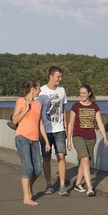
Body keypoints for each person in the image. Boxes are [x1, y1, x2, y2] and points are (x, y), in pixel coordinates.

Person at [12, 80, 51, 206]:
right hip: (22, 137)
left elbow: (40, 124)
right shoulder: (21, 101)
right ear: (33, 89)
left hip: (35, 139)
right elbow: (14, 120)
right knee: (28, 167)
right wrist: (26, 109)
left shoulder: (38, 104)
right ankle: (26, 197)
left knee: (38, 170)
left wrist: (45, 141)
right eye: (39, 88)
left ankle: (28, 187)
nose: (40, 90)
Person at [67, 84, 108, 196]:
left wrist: (105, 137)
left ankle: (77, 183)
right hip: (78, 136)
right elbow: (71, 124)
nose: (81, 95)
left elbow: (99, 122)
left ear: (89, 93)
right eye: (80, 93)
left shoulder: (95, 107)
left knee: (84, 161)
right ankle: (90, 188)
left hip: (91, 137)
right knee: (85, 160)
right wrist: (69, 140)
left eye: (84, 93)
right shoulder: (75, 106)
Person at [38, 66, 68, 196]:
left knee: (61, 156)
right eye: (58, 77)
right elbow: (37, 111)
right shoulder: (41, 91)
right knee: (46, 158)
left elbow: (63, 109)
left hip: (59, 129)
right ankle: (49, 184)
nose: (60, 79)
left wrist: (65, 125)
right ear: (51, 76)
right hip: (46, 130)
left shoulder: (62, 91)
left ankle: (62, 185)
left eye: (60, 77)